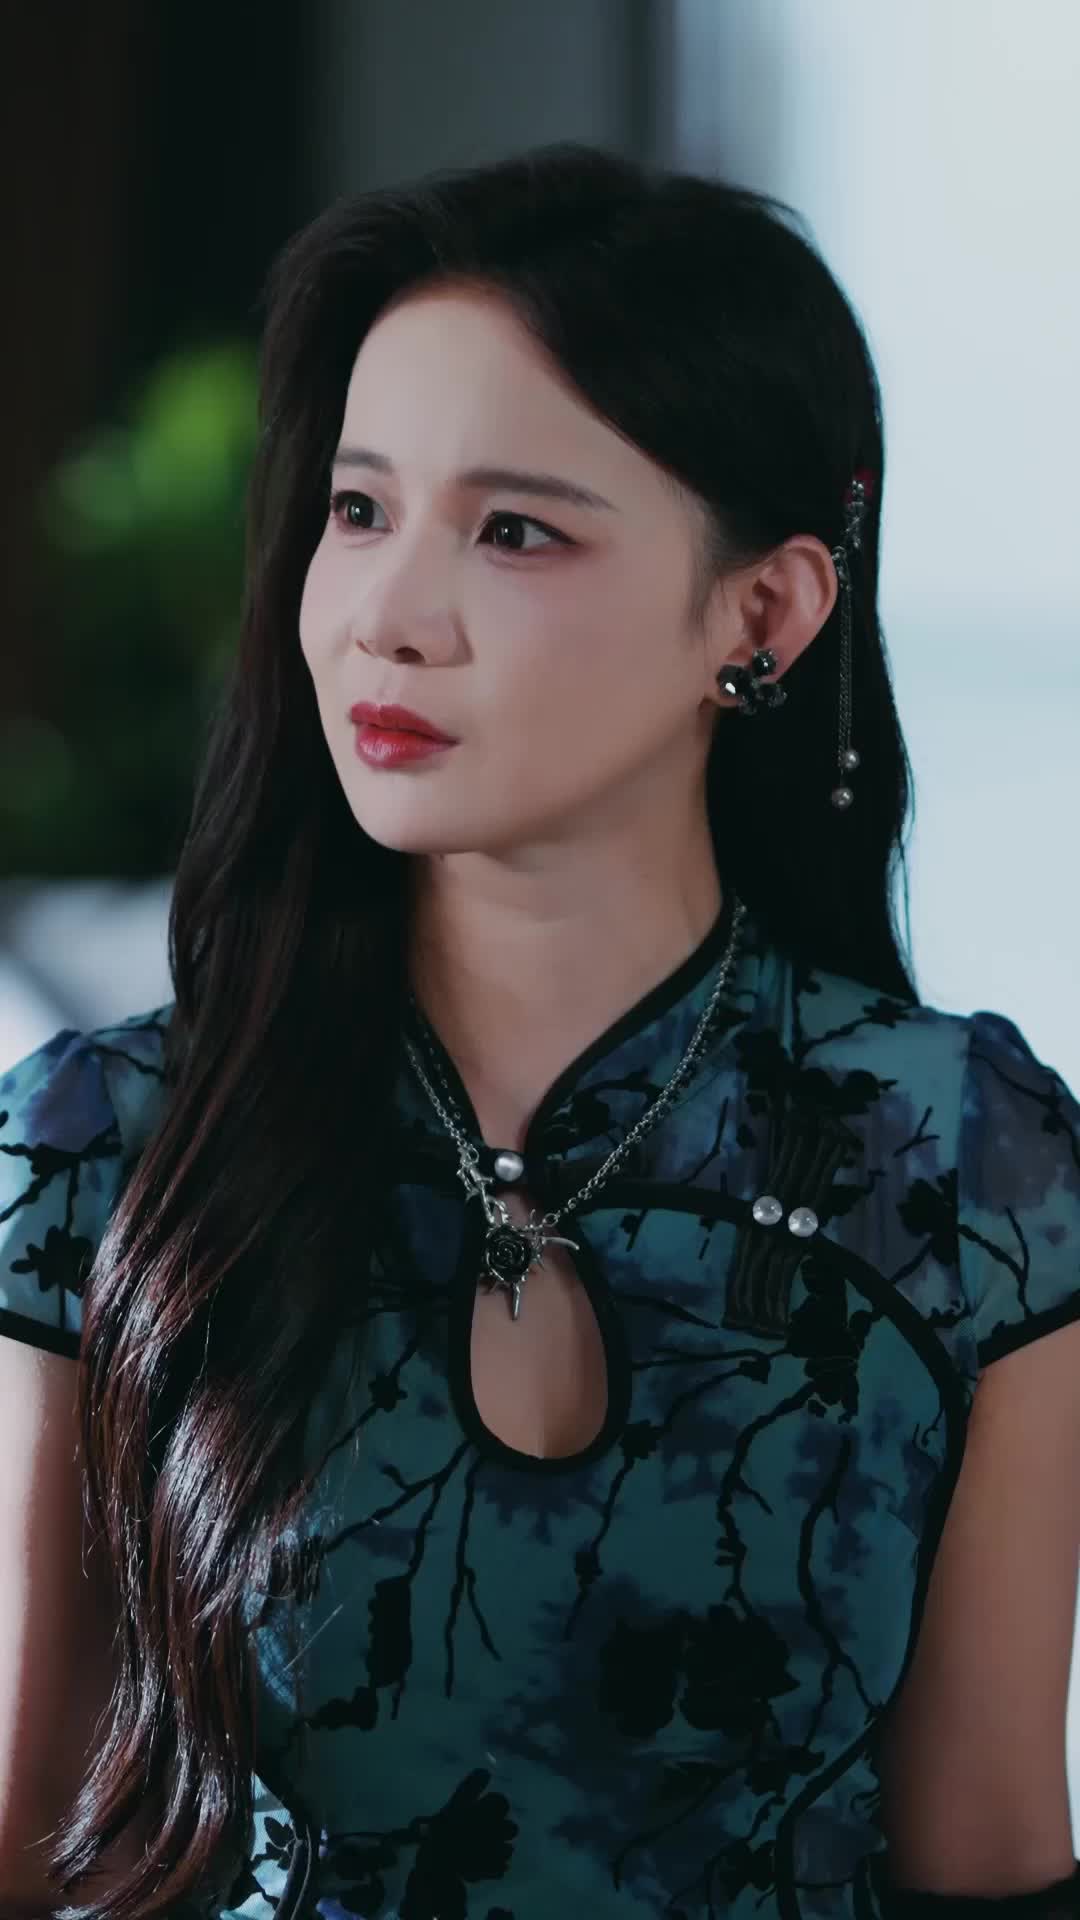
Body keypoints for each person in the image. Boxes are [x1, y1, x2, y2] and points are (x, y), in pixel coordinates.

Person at [1, 141, 1078, 1920]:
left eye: (513, 530)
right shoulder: (105, 1147)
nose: (385, 618)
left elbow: (992, 1861)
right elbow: (33, 1855)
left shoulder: (962, 1158)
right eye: (360, 510)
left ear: (763, 611)